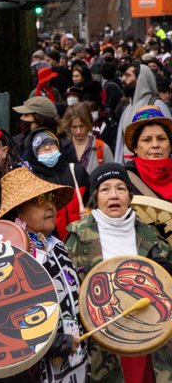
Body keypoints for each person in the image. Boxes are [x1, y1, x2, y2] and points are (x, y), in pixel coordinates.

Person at [66, 163, 172, 383]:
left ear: (129, 195)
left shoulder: (150, 234)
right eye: (105, 189)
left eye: (120, 188)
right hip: (102, 344)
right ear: (95, 196)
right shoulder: (78, 238)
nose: (113, 195)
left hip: (149, 337)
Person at [0, 169, 88, 383]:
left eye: (50, 199)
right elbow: (7, 321)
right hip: (37, 368)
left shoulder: (58, 246)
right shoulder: (12, 255)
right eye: (38, 201)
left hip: (76, 359)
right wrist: (56, 343)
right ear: (18, 211)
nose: (49, 206)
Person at [22, 128, 89, 239]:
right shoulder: (32, 179)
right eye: (42, 146)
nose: (48, 147)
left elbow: (92, 199)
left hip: (82, 238)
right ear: (34, 153)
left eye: (51, 143)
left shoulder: (76, 171)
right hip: (50, 240)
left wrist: (89, 211)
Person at [114, 63, 172, 163]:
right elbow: (120, 146)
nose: (124, 80)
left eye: (128, 75)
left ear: (141, 79)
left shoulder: (156, 105)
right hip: (131, 171)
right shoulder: (127, 109)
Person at [122, 105, 172, 201]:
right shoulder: (124, 180)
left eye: (161, 139)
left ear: (170, 146)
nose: (155, 145)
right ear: (135, 147)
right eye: (147, 140)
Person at [59, 104, 114, 174]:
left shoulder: (102, 148)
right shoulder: (63, 148)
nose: (78, 131)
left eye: (81, 126)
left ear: (88, 124)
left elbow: (111, 177)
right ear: (68, 127)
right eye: (74, 127)